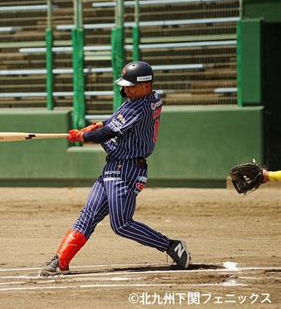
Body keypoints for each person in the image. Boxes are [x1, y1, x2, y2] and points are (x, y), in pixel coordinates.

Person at [41, 61, 190, 275]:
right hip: (113, 167)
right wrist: (99, 125)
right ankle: (60, 261)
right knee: (88, 215)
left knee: (121, 225)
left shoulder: (139, 106)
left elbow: (108, 133)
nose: (125, 89)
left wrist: (83, 136)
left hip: (128, 170)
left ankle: (171, 246)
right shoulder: (147, 99)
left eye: (130, 85)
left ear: (146, 85)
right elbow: (112, 123)